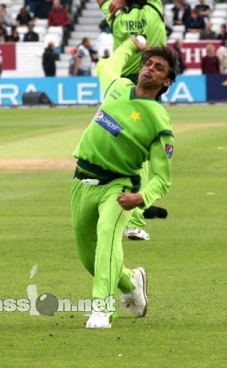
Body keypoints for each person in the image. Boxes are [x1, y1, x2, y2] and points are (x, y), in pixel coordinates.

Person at [72, 36, 179, 329]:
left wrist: (141, 198)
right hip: (81, 180)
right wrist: (132, 44)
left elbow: (161, 179)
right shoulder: (118, 87)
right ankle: (131, 281)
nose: (150, 69)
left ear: (166, 82)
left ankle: (101, 309)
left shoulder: (159, 122)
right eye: (149, 64)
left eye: (159, 68)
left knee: (108, 235)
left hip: (120, 187)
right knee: (89, 256)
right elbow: (108, 64)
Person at [94, 0, 169, 241]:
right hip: (146, 93)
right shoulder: (153, 13)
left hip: (119, 90)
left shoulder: (117, 17)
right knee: (142, 155)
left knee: (125, 153)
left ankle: (135, 208)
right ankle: (134, 218)